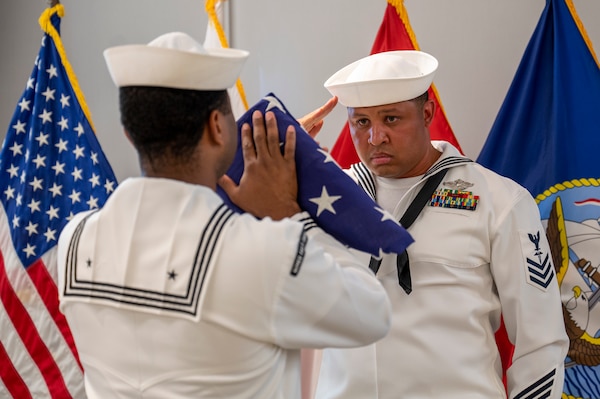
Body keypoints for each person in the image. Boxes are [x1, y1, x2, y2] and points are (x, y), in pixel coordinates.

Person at [56, 32, 393, 399]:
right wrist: (288, 213)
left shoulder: (74, 239)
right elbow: (371, 313)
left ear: (129, 134)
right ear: (218, 127)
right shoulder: (260, 251)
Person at [310, 50, 569, 398]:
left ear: (427, 113)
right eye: (362, 123)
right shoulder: (323, 201)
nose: (376, 138)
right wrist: (278, 161)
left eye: (391, 119)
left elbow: (541, 342)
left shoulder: (499, 200)